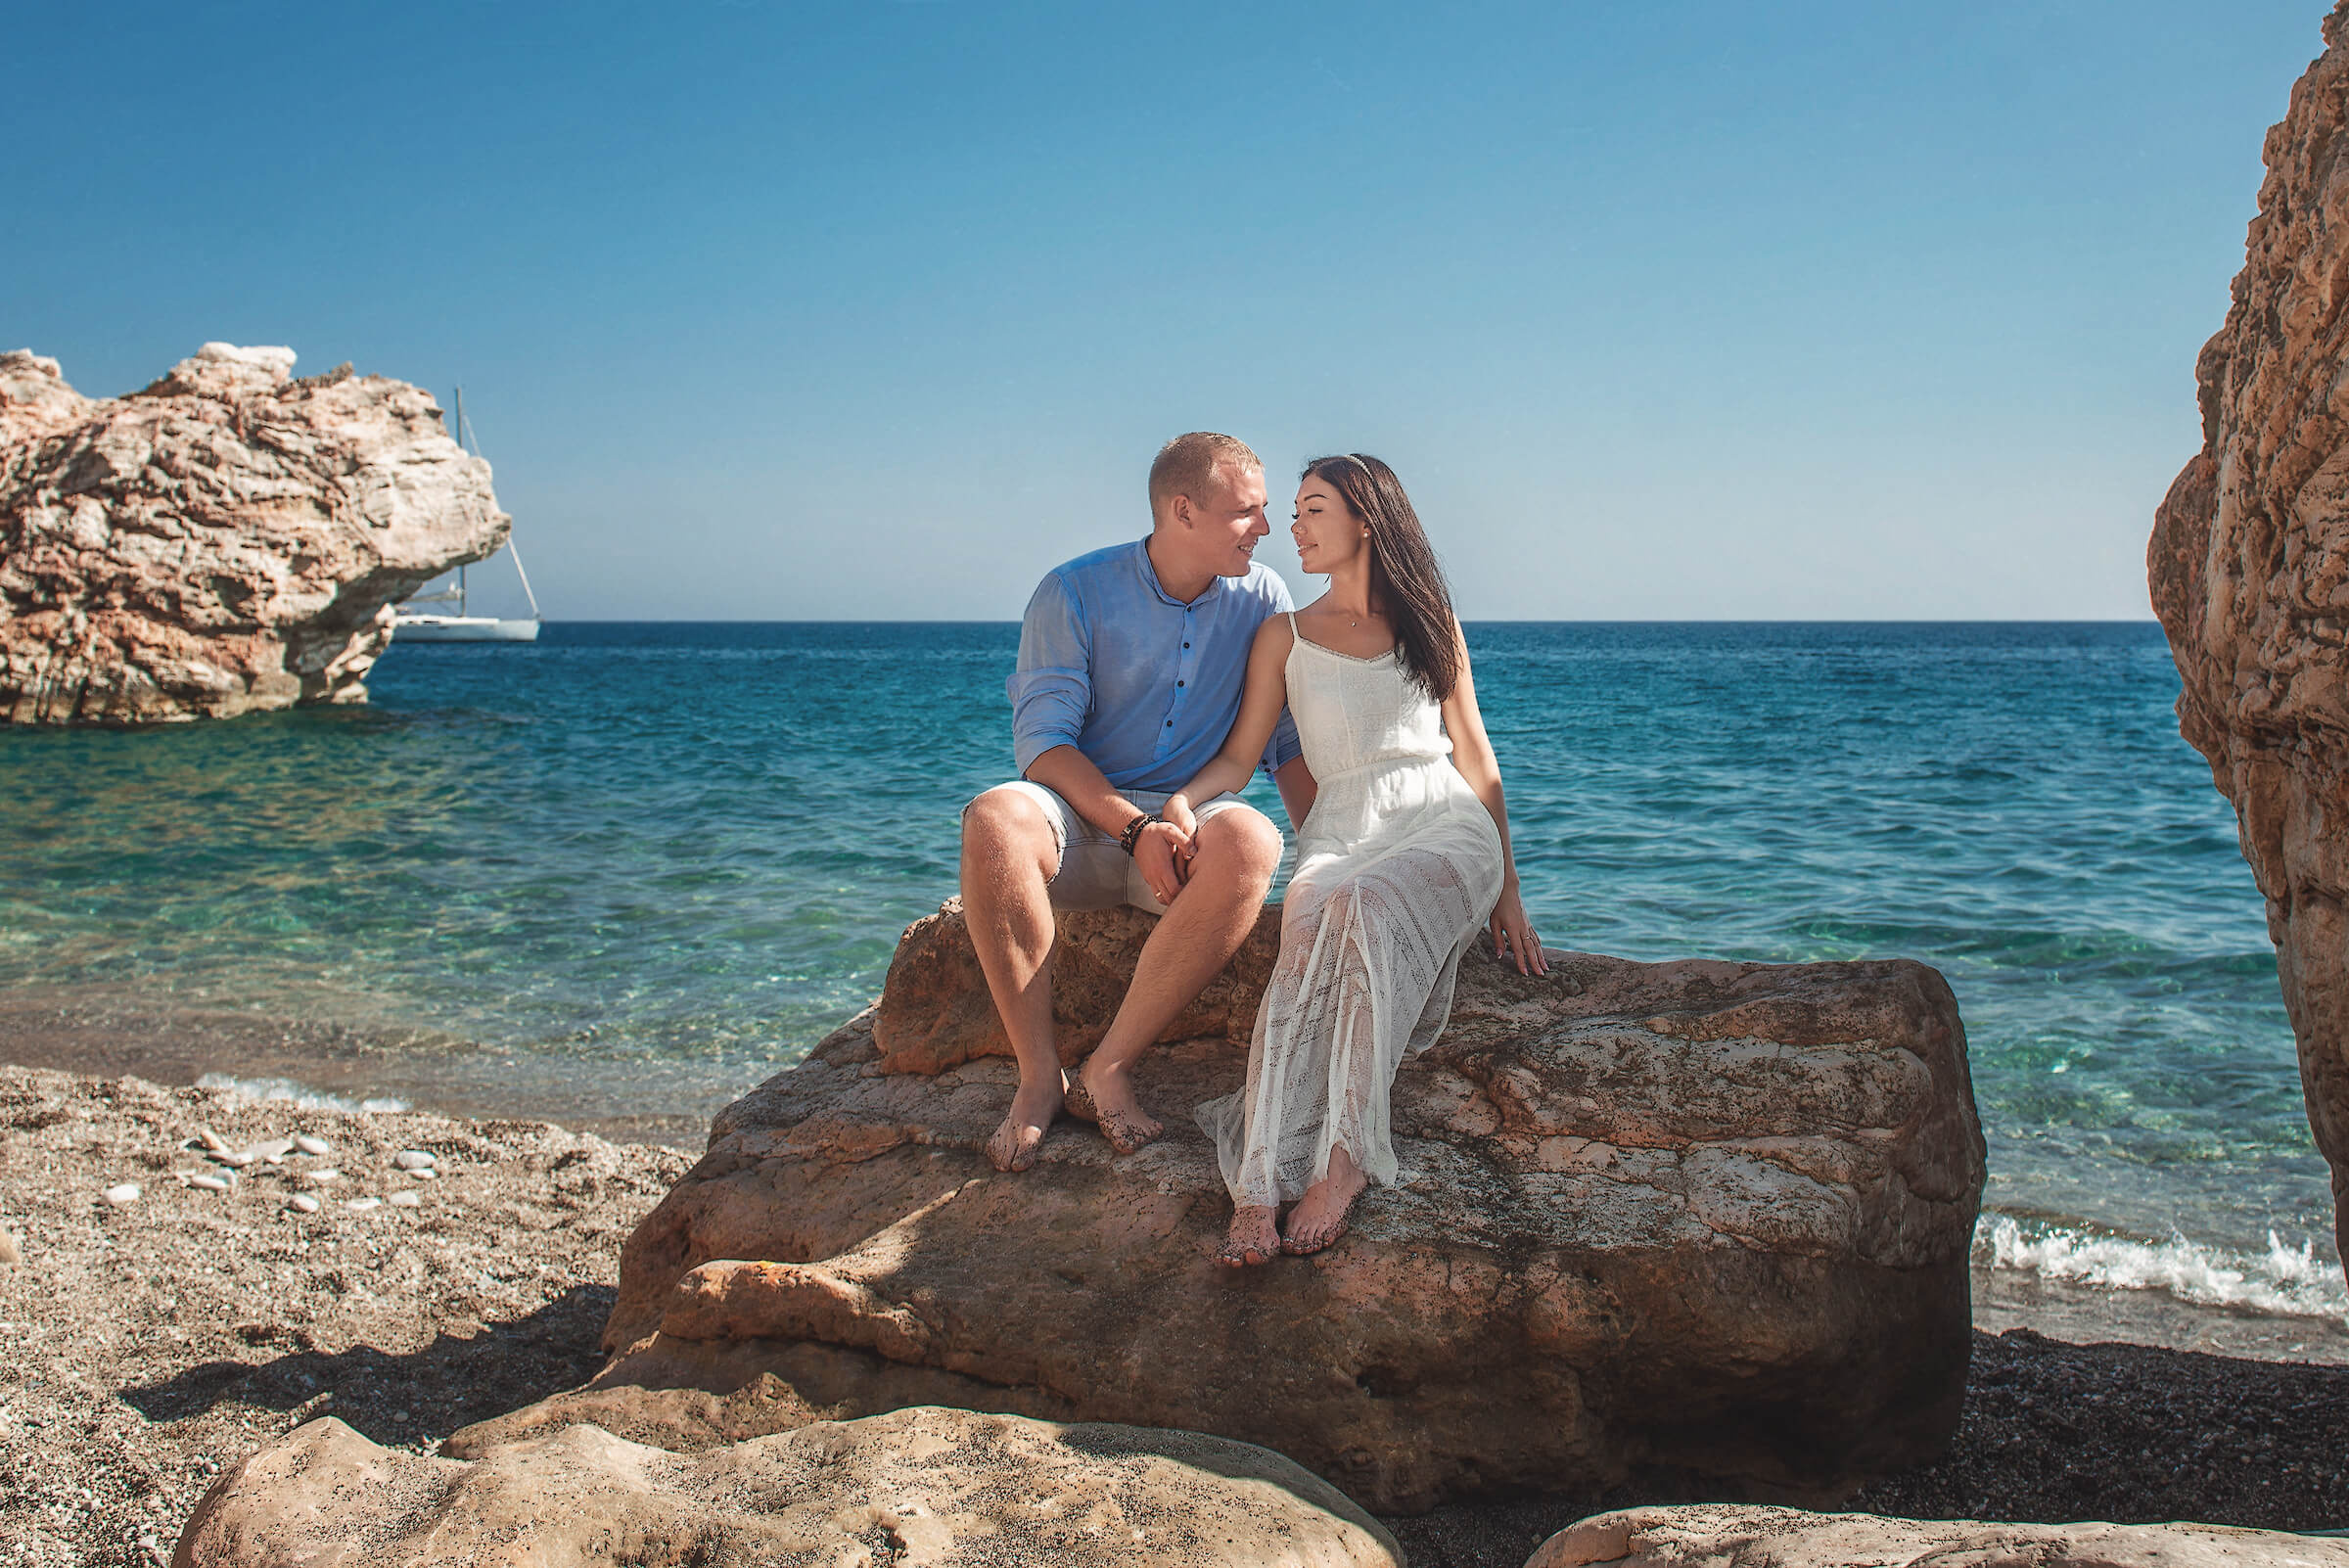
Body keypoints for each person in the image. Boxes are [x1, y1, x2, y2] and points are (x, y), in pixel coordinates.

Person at [1163, 453, 1543, 1265]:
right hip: (1341, 826)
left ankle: (1346, 1161)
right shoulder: (1284, 635)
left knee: (1363, 906)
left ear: (1366, 519)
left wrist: (1509, 884)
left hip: (1443, 820)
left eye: (1311, 510)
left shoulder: (1429, 617)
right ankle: (1259, 1182)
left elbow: (1475, 754)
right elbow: (1240, 759)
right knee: (1307, 926)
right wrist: (1181, 804)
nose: (1291, 529)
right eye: (1293, 513)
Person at [960, 433, 1316, 1173]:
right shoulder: (1074, 591)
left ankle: (1108, 1069)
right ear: (1183, 510)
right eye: (1247, 512)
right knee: (995, 815)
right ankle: (1037, 1079)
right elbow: (1044, 746)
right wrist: (1134, 829)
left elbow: (1282, 744)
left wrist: (1341, 855)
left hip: (1189, 833)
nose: (1266, 528)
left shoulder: (1264, 598)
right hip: (1083, 824)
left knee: (1253, 840)